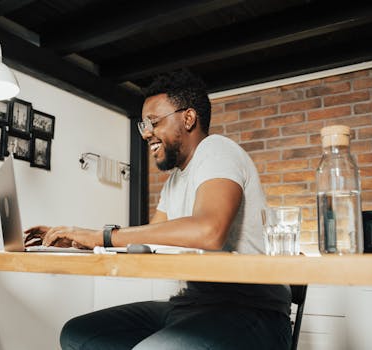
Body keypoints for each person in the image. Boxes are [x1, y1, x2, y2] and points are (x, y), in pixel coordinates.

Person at [24, 69, 292, 349]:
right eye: (143, 125)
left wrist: (102, 235)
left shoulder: (217, 150)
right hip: (191, 305)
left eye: (153, 122)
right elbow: (148, 243)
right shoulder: (174, 181)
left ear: (188, 118)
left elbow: (209, 230)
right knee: (78, 334)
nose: (146, 133)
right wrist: (81, 242)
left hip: (251, 310)